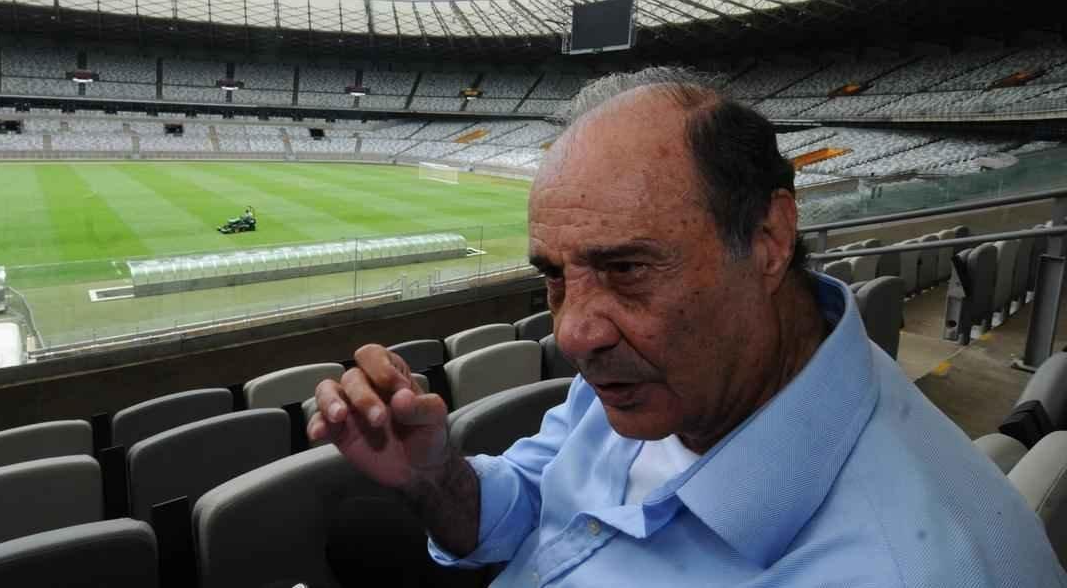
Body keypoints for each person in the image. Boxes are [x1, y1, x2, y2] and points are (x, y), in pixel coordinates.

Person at [309, 67, 1066, 586]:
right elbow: (535, 499)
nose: (574, 333)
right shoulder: (656, 368)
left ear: (768, 239)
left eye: (629, 268)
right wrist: (436, 476)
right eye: (554, 275)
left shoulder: (903, 563)